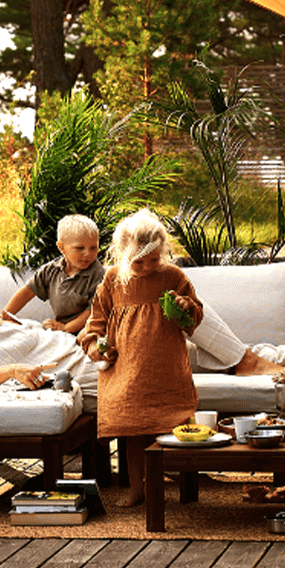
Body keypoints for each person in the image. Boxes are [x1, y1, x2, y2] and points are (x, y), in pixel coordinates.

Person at [80, 208, 204, 508]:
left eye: (154, 260)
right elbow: (95, 323)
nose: (147, 267)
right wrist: (95, 345)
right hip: (125, 369)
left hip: (165, 368)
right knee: (133, 432)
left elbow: (194, 319)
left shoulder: (173, 276)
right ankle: (137, 487)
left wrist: (186, 306)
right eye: (139, 261)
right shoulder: (112, 280)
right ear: (122, 254)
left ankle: (179, 484)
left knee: (171, 426)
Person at [3, 214, 104, 335]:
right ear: (61, 247)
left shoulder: (98, 275)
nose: (88, 253)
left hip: (90, 330)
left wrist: (66, 328)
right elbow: (27, 292)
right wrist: (6, 314)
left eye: (93, 248)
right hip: (62, 332)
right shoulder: (51, 270)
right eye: (80, 248)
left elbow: (92, 312)